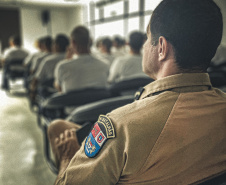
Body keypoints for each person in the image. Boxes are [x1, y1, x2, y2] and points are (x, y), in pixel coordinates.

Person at [48, 0, 226, 184]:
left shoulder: (120, 127)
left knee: (58, 129)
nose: (144, 46)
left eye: (148, 38)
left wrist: (67, 158)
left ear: (162, 48)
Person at [54, 26, 109, 93]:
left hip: (73, 103)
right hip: (99, 102)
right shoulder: (105, 64)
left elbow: (60, 88)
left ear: (73, 43)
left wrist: (67, 60)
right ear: (90, 41)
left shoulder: (62, 66)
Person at [29, 34, 69, 101]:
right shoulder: (72, 59)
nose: (52, 46)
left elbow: (37, 78)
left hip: (51, 90)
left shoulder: (48, 61)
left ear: (57, 46)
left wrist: (32, 92)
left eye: (53, 44)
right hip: (69, 89)